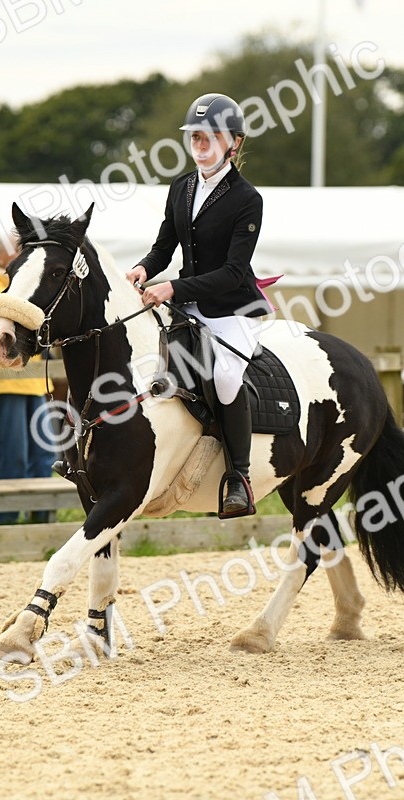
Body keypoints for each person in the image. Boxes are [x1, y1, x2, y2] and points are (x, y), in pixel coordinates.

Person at [127, 92, 268, 518]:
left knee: (225, 376)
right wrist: (142, 269)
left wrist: (173, 289)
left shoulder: (247, 199)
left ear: (234, 143)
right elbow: (164, 246)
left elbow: (232, 272)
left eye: (210, 137)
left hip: (232, 308)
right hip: (188, 303)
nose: (200, 145)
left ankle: (239, 478)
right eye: (195, 137)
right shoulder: (181, 188)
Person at [0, 244, 56, 525]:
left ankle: (40, 518)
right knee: (13, 455)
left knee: (43, 455)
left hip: (30, 380)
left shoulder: (11, 284)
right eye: (16, 248)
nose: (21, 251)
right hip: (6, 381)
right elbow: (27, 312)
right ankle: (1, 522)